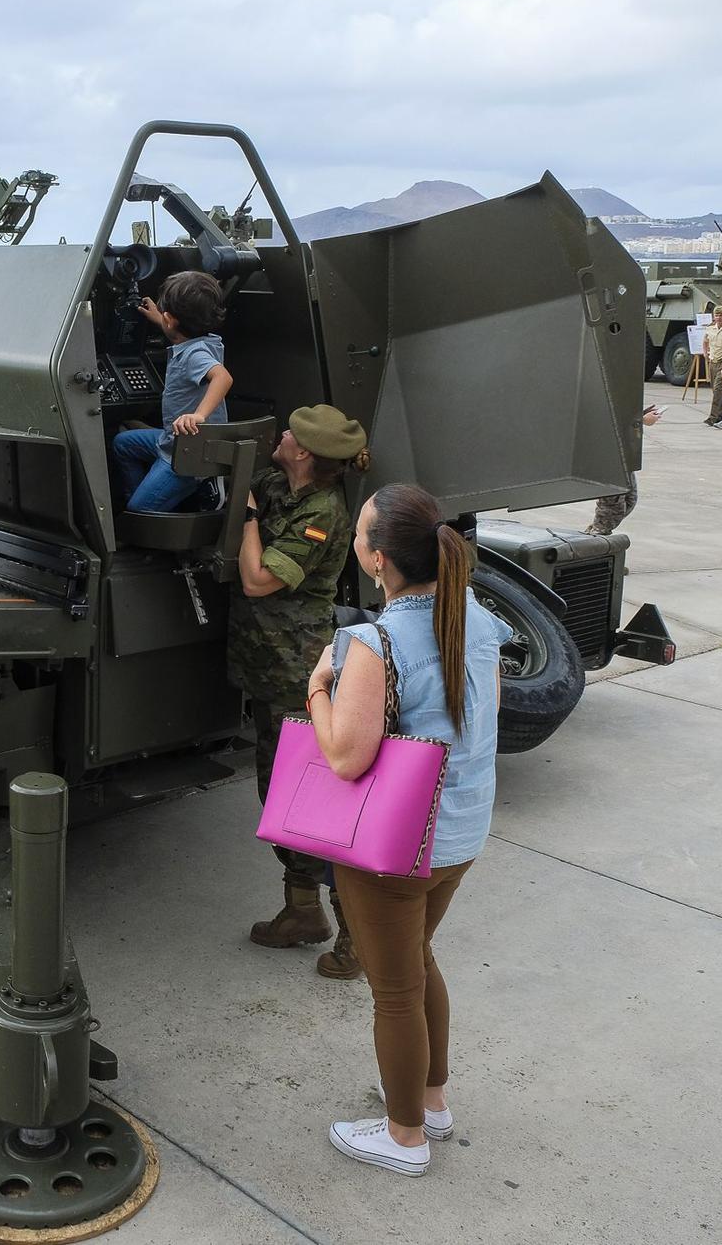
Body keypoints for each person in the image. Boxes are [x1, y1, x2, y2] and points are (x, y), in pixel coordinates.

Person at [307, 483, 509, 1177]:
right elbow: (482, 728)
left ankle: (403, 1138)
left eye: (362, 532)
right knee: (417, 960)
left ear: (377, 561)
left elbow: (343, 755)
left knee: (394, 991)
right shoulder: (475, 618)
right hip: (460, 835)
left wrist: (316, 688)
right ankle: (434, 1102)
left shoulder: (372, 642)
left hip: (395, 845)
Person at [228, 406, 370, 975]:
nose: (281, 436)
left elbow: (259, 580)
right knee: (282, 797)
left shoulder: (322, 510)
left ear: (306, 453)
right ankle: (303, 911)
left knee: (315, 803)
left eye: (289, 434)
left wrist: (244, 520)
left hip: (297, 674)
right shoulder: (277, 482)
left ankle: (357, 933)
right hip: (268, 669)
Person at [110, 272, 232, 512]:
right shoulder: (201, 341)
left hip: (188, 453)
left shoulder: (195, 354)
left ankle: (146, 510)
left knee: (138, 509)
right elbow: (183, 338)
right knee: (122, 444)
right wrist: (160, 320)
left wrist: (198, 415)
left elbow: (222, 377)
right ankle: (147, 497)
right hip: (172, 440)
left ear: (170, 319)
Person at [586, 406, 662, 534]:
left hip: (622, 451)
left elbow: (619, 413)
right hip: (608, 452)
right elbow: (605, 419)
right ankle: (597, 532)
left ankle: (596, 529)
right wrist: (640, 420)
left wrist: (639, 415)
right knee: (612, 506)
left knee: (629, 500)